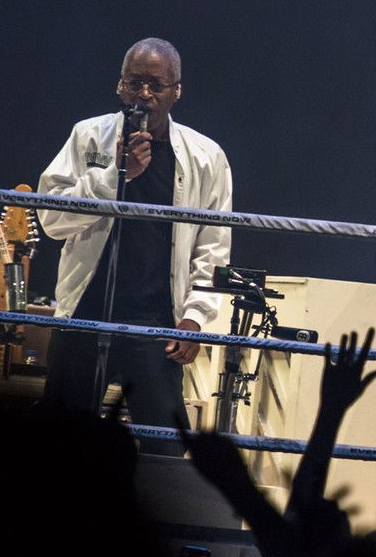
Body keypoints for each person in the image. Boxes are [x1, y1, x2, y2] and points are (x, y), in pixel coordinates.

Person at [38, 37, 232, 454]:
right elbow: (51, 220)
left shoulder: (206, 156)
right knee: (60, 446)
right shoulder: (87, 136)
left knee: (165, 450)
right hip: (85, 314)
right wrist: (115, 176)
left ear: (176, 90)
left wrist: (195, 317)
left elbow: (213, 247)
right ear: (119, 86)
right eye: (135, 82)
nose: (144, 94)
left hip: (158, 322)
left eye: (156, 85)